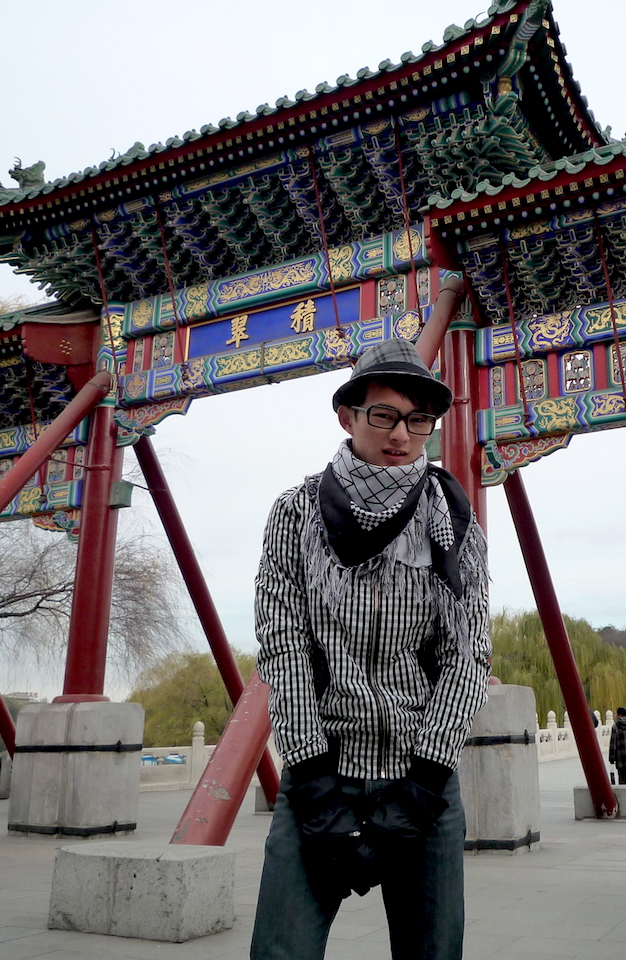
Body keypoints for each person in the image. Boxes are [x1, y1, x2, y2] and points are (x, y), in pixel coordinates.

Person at [251, 338, 491, 960]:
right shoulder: (295, 513)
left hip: (421, 781)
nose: (401, 435)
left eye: (418, 420)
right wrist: (312, 783)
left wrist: (423, 786)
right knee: (281, 951)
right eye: (383, 415)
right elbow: (284, 648)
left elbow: (467, 656)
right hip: (322, 774)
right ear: (347, 416)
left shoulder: (453, 522)